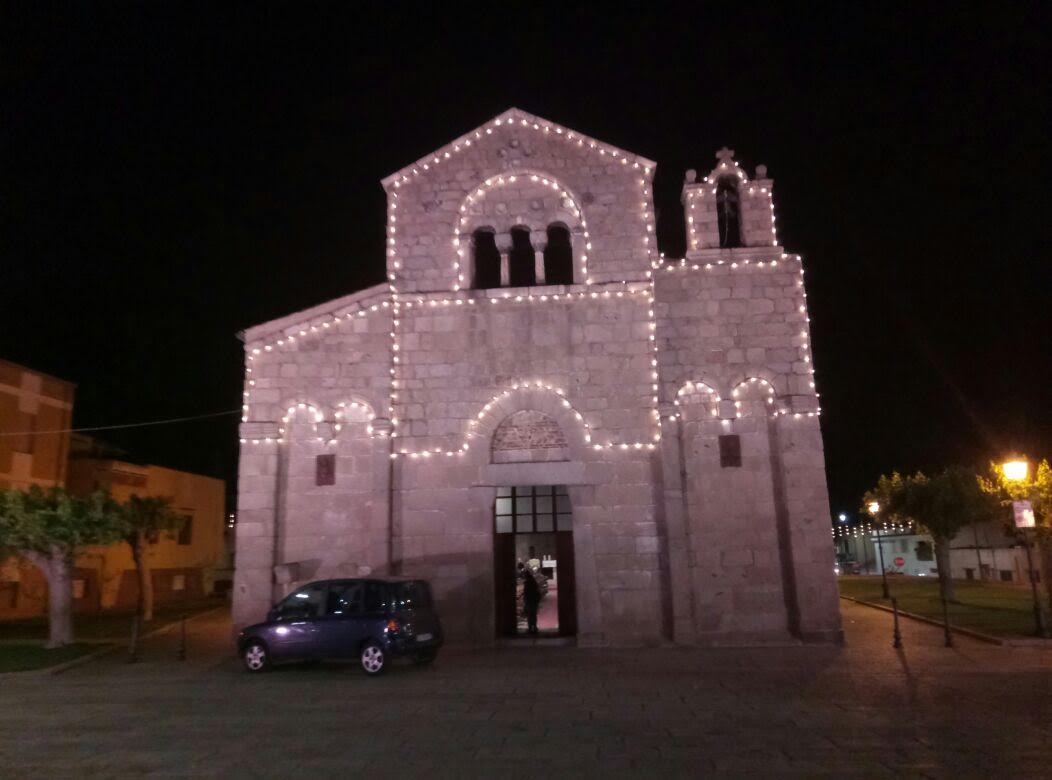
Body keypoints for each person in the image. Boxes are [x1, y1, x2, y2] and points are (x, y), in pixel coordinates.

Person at [521, 563, 541, 635]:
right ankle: (534, 627)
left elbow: (526, 592)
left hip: (529, 600)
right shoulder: (533, 581)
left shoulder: (527, 582)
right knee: (534, 614)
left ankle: (530, 628)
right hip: (534, 599)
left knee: (529, 615)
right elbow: (537, 590)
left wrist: (524, 600)